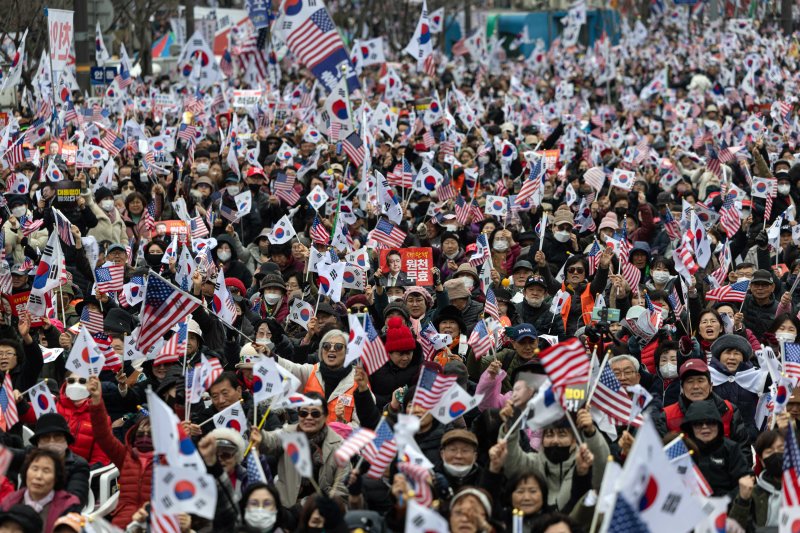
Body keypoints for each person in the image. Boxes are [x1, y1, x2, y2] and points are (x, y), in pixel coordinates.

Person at [255, 393, 350, 507]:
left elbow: (342, 489)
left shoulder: (339, 445)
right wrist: (259, 431)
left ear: (325, 416)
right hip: (287, 507)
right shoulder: (288, 433)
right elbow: (269, 442)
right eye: (303, 413)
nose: (309, 417)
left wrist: (313, 505)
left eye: (315, 413)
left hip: (322, 510)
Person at [86, 376, 155, 529]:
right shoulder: (125, 456)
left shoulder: (167, 460)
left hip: (155, 522)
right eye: (140, 433)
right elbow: (103, 435)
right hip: (123, 523)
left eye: (150, 434)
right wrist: (97, 400)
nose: (144, 437)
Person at [273, 330, 363, 424]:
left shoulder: (358, 382)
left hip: (339, 438)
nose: (331, 349)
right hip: (309, 435)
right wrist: (269, 356)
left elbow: (362, 424)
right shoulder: (311, 371)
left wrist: (340, 426)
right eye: (326, 346)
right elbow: (289, 368)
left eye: (338, 347)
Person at [7, 413, 90, 507]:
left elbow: (76, 499)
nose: (52, 441)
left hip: (59, 514)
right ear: (38, 442)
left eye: (57, 436)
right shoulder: (30, 455)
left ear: (66, 440)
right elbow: (5, 455)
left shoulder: (78, 465)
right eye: (45, 437)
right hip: (23, 511)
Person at [680, 400, 751, 497]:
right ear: (690, 427)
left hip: (727, 506)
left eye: (710, 422)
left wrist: (725, 501)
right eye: (698, 423)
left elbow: (745, 480)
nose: (705, 427)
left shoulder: (731, 448)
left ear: (718, 425)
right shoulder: (682, 450)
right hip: (692, 506)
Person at [0, 448, 81, 532]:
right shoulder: (10, 501)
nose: (38, 476)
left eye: (46, 471)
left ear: (56, 477)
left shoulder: (68, 506)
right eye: (34, 469)